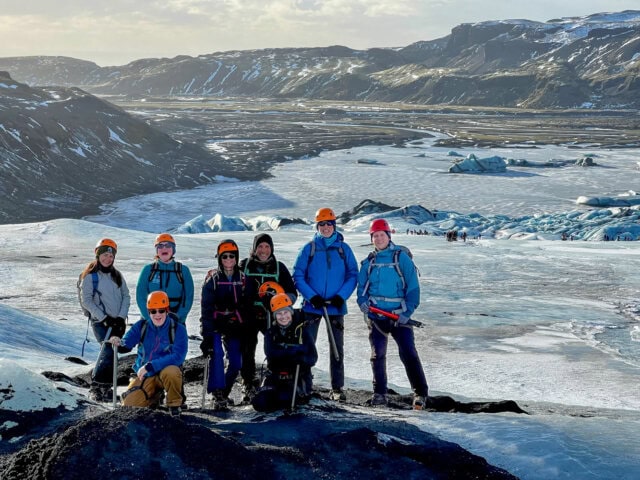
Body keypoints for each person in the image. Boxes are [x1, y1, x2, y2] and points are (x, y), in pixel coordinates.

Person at [357, 218, 428, 409]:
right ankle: (379, 393)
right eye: (375, 236)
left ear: (388, 236)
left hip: (399, 316)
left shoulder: (401, 258)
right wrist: (362, 303)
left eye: (382, 235)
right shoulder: (369, 262)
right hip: (376, 316)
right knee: (377, 355)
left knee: (408, 353)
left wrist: (408, 310)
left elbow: (413, 288)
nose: (379, 239)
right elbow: (362, 287)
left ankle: (420, 393)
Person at [292, 207, 358, 401]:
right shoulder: (309, 248)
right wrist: (312, 297)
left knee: (337, 348)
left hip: (336, 307)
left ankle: (337, 388)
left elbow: (353, 274)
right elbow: (298, 275)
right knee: (307, 346)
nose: (326, 227)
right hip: (312, 307)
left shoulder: (343, 249)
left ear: (334, 225)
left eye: (329, 223)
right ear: (317, 226)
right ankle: (305, 384)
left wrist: (341, 296)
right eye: (322, 224)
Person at [110, 291, 188, 417]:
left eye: (161, 310)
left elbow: (178, 356)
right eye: (153, 311)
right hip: (145, 376)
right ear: (148, 311)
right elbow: (126, 343)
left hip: (164, 372)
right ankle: (154, 399)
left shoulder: (178, 329)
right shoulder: (141, 326)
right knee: (129, 407)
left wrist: (150, 366)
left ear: (167, 310)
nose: (157, 314)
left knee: (172, 371)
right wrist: (119, 343)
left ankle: (174, 405)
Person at [238, 233, 296, 402]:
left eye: (267, 247)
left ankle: (276, 379)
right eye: (260, 246)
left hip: (271, 316)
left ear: (272, 248)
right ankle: (248, 382)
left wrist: (280, 302)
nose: (263, 250)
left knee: (274, 347)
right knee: (247, 349)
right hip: (248, 315)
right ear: (254, 249)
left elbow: (292, 293)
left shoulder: (279, 268)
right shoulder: (244, 266)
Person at [200, 239, 255, 410]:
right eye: (225, 256)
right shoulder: (212, 279)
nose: (229, 259)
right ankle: (217, 394)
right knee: (216, 356)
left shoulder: (244, 279)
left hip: (236, 326)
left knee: (236, 363)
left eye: (232, 256)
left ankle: (224, 391)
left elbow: (248, 306)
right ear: (219, 258)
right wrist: (207, 334)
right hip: (216, 325)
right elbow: (206, 308)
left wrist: (244, 327)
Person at [79, 238, 130, 402]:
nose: (108, 259)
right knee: (108, 350)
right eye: (105, 255)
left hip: (117, 322)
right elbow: (86, 300)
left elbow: (126, 296)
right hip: (101, 323)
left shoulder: (117, 275)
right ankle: (96, 387)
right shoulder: (90, 276)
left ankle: (105, 389)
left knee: (112, 353)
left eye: (111, 255)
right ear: (98, 255)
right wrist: (104, 318)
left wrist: (121, 318)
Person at [252, 293, 317, 412]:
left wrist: (301, 359)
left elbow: (313, 358)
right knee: (259, 402)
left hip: (298, 376)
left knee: (286, 400)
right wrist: (294, 352)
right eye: (279, 314)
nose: (283, 317)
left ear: (291, 312)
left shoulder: (303, 331)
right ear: (275, 316)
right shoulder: (270, 333)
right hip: (275, 376)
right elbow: (270, 353)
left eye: (286, 312)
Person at [136, 233, 194, 324]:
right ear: (156, 250)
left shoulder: (183, 271)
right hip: (151, 319)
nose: (164, 248)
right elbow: (141, 296)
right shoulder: (148, 270)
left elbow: (188, 298)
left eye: (168, 245)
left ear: (173, 249)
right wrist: (149, 318)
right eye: (160, 246)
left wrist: (178, 317)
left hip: (175, 320)